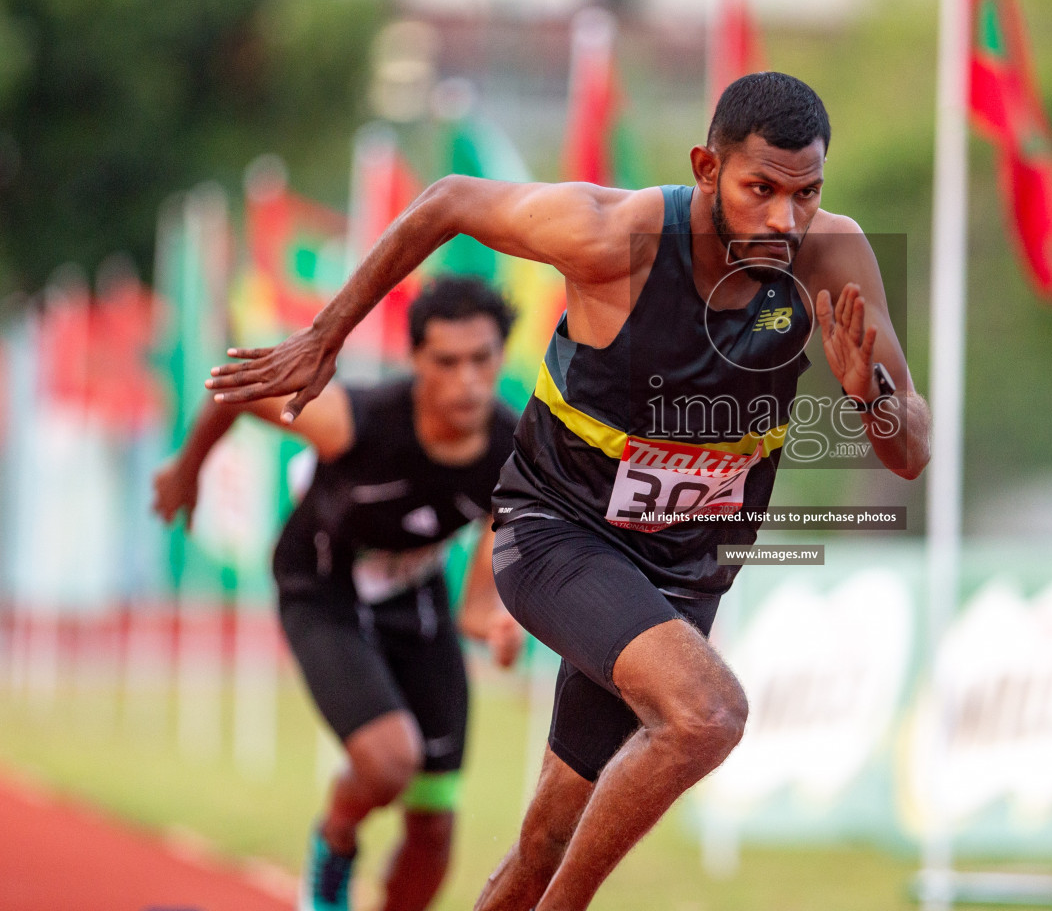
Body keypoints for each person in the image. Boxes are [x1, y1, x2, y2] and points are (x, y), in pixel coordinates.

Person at [205, 71, 932, 911]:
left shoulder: (830, 256)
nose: (783, 219)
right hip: (557, 531)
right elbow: (445, 200)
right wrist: (326, 335)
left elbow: (908, 450)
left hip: (683, 572)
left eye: (805, 194)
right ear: (706, 168)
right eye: (759, 189)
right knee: (708, 714)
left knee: (545, 842)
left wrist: (873, 395)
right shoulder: (612, 236)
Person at [154, 275, 525, 911]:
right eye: (447, 361)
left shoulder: (512, 453)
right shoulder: (355, 420)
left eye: (482, 359)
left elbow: (476, 604)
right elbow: (238, 386)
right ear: (416, 362)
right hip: (320, 587)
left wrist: (493, 623)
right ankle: (334, 845)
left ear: (500, 358)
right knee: (388, 763)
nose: (467, 379)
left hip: (416, 601)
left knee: (434, 824)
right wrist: (187, 470)